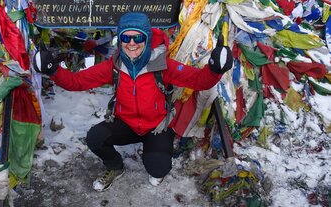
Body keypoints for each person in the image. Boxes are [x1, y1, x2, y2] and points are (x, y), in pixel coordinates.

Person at [33, 12, 233, 192]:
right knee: (95, 137)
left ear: (146, 39)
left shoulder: (162, 65)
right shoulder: (114, 66)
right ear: (120, 40)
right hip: (126, 123)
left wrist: (215, 69)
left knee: (158, 168)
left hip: (156, 126)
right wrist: (53, 70)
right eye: (126, 37)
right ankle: (115, 166)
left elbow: (198, 80)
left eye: (138, 37)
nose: (131, 43)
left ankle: (154, 151)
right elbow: (77, 82)